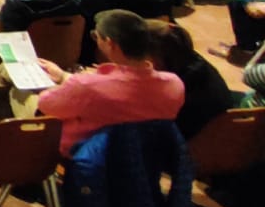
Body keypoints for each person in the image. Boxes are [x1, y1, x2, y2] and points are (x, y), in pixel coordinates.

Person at [33, 9, 185, 156]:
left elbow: (46, 104)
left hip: (85, 158)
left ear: (110, 43)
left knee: (24, 96)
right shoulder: (174, 84)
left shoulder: (87, 85)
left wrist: (63, 83)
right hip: (141, 159)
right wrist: (63, 76)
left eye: (96, 36)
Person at [145, 20, 232, 140]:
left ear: (155, 57)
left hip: (193, 150)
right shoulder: (196, 63)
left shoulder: (174, 89)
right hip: (224, 142)